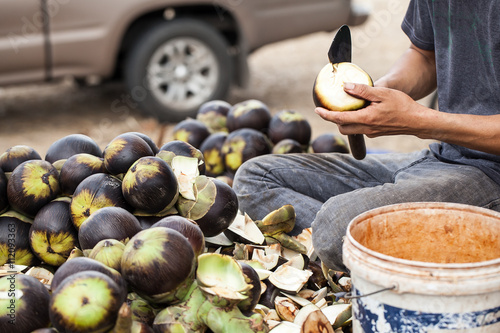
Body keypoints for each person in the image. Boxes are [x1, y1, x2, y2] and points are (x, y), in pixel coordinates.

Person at [232, 0, 500, 271]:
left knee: (338, 226)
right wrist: (376, 92)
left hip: (493, 173)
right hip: (443, 157)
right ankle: (374, 246)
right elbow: (425, 56)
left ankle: (358, 246)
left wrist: (420, 121)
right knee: (254, 179)